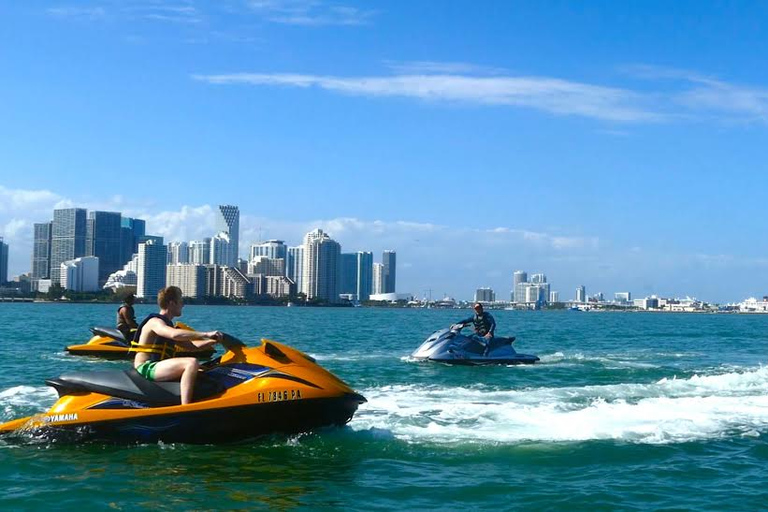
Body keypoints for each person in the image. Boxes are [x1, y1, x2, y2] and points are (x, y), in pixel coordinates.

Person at [132, 286, 222, 405]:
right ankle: (185, 407)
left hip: (158, 367)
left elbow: (192, 347)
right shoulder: (155, 322)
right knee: (191, 363)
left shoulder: (168, 325)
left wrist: (215, 341)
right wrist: (205, 334)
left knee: (205, 370)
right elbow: (174, 335)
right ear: (171, 303)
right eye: (181, 301)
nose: (183, 305)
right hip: (146, 368)